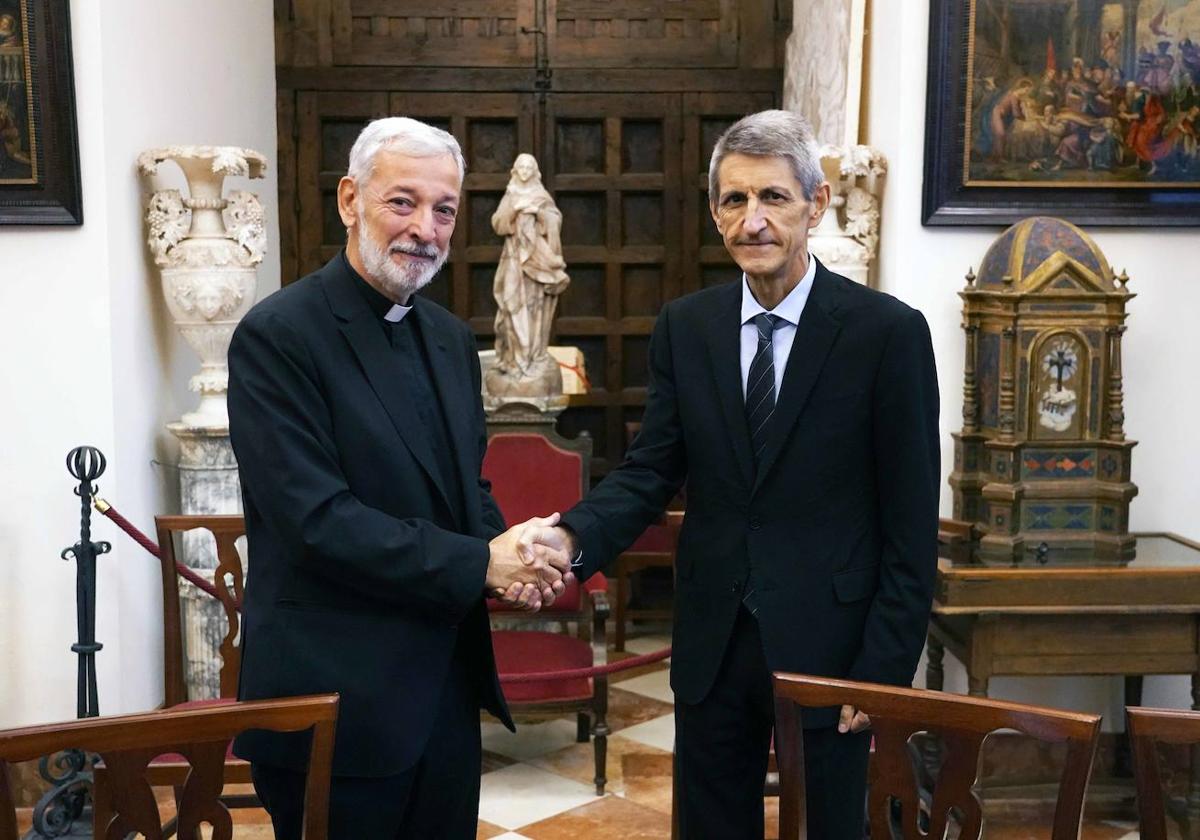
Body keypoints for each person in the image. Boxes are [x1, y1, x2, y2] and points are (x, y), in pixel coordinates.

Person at [535, 110, 941, 838]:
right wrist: (570, 538)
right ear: (715, 210)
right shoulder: (686, 328)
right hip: (714, 642)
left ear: (815, 205)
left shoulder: (887, 334)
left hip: (835, 648)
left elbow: (910, 523)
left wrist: (883, 665)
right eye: (734, 200)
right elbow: (648, 471)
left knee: (829, 828)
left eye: (773, 198)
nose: (752, 221)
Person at [227, 117, 573, 839]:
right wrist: (481, 560)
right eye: (402, 202)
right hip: (336, 703)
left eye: (443, 209)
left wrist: (510, 558)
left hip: (442, 692)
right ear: (350, 201)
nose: (425, 227)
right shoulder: (278, 336)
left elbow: (461, 485)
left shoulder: (447, 338)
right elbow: (316, 521)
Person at [489, 153, 570, 391]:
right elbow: (498, 223)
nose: (524, 171)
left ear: (534, 172)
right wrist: (515, 210)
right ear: (515, 171)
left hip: (537, 262)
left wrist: (539, 212)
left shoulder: (541, 196)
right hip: (514, 261)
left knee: (534, 310)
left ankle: (533, 357)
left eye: (528, 168)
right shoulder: (511, 195)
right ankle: (513, 359)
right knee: (510, 306)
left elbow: (554, 221)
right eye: (520, 167)